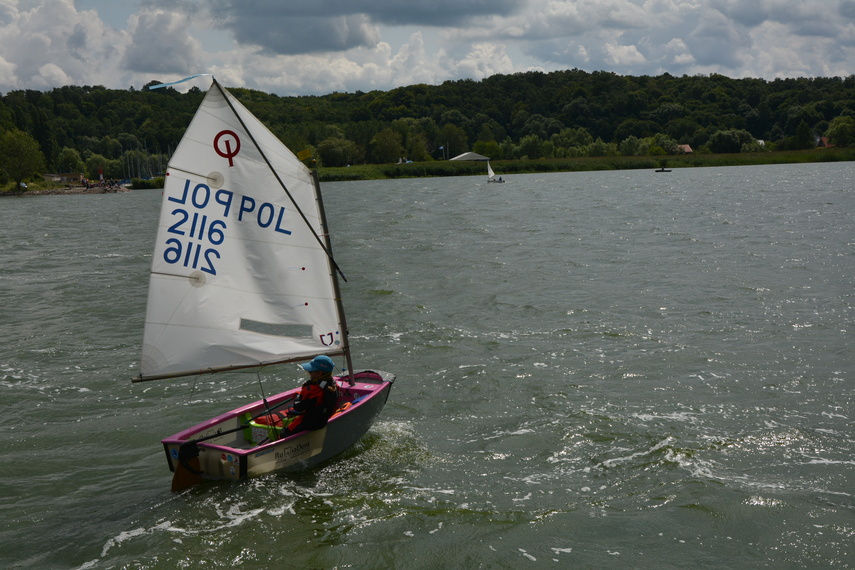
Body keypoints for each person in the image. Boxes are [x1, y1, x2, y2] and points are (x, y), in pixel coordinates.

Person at [281, 355, 340, 434]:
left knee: (283, 432)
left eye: (311, 371)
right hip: (323, 419)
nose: (309, 374)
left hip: (310, 424)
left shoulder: (313, 390)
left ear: (319, 373)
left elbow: (298, 408)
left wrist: (298, 396)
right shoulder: (333, 385)